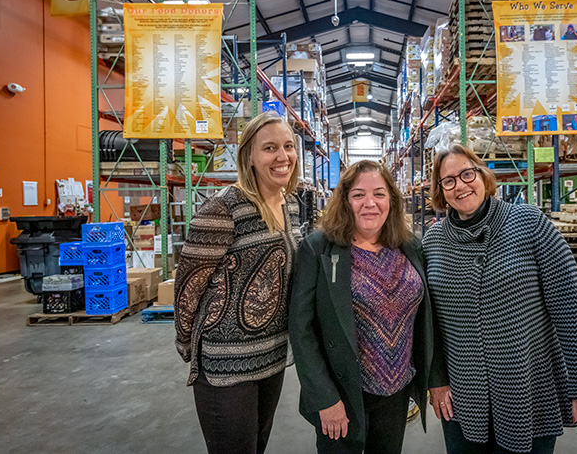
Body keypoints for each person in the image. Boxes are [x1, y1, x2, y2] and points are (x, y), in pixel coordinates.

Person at [423, 144, 577, 454]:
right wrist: (437, 381)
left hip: (528, 387)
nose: (461, 185)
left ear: (483, 176)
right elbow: (430, 323)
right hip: (463, 395)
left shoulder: (529, 223)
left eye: (467, 174)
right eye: (449, 180)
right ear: (441, 192)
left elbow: (571, 305)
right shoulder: (434, 241)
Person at [174, 111, 303, 454]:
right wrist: (186, 344)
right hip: (225, 364)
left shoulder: (289, 204)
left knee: (256, 446)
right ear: (249, 156)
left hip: (272, 356)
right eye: (270, 148)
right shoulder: (224, 207)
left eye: (288, 147)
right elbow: (189, 282)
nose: (282, 156)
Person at [290, 160, 436, 454]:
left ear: (392, 201)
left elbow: (425, 320)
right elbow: (301, 330)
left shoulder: (410, 246)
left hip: (396, 393)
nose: (370, 203)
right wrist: (324, 398)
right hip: (342, 393)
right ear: (345, 200)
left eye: (379, 194)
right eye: (358, 195)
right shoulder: (318, 248)